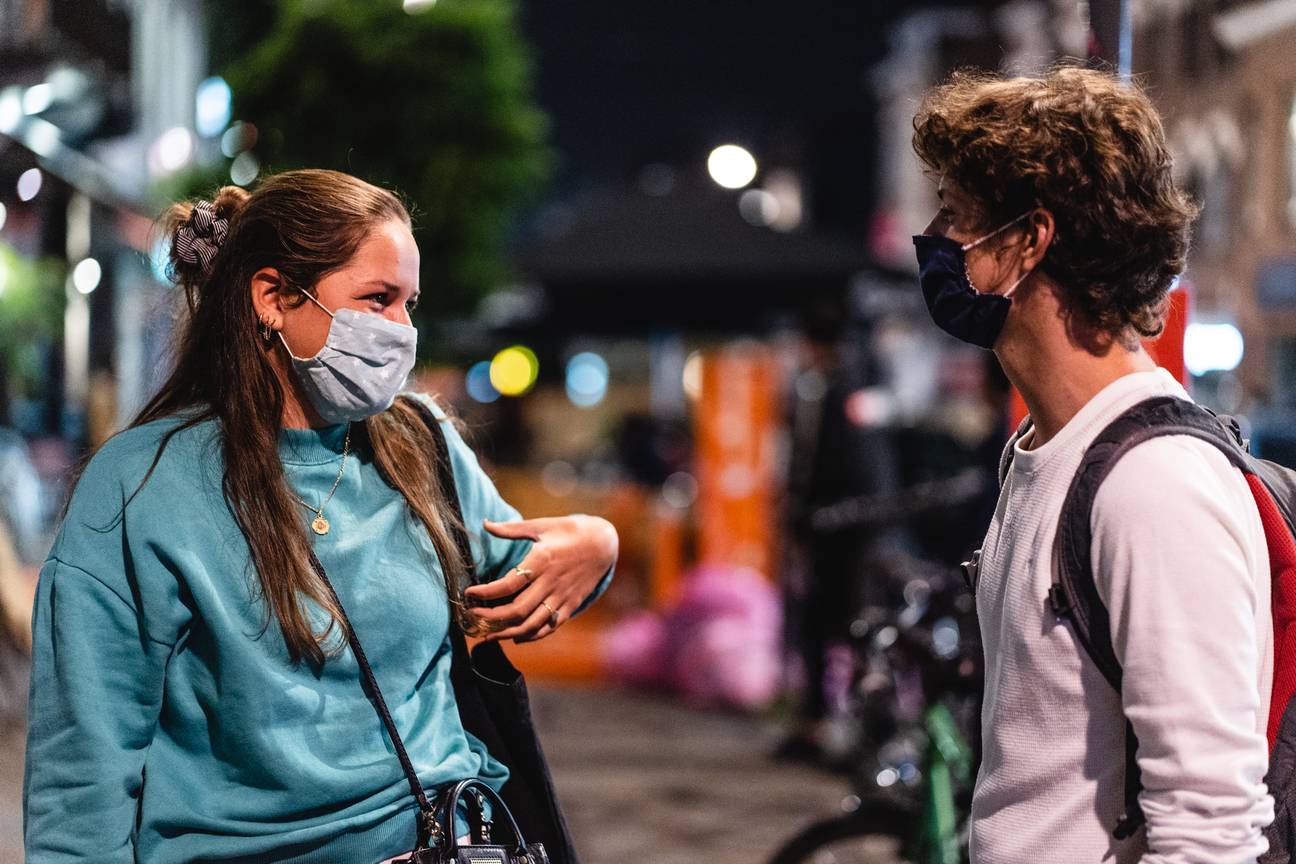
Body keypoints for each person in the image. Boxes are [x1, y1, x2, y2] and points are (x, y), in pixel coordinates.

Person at [23, 169, 618, 863]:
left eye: (409, 304)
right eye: (377, 299)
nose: (402, 332)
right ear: (273, 297)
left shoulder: (419, 445)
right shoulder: (140, 487)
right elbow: (83, 769)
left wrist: (597, 545)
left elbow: (527, 567)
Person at [911, 68, 1273, 861]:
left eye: (958, 215)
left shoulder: (1154, 484)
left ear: (1028, 240)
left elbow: (1207, 826)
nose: (934, 238)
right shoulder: (1046, 449)